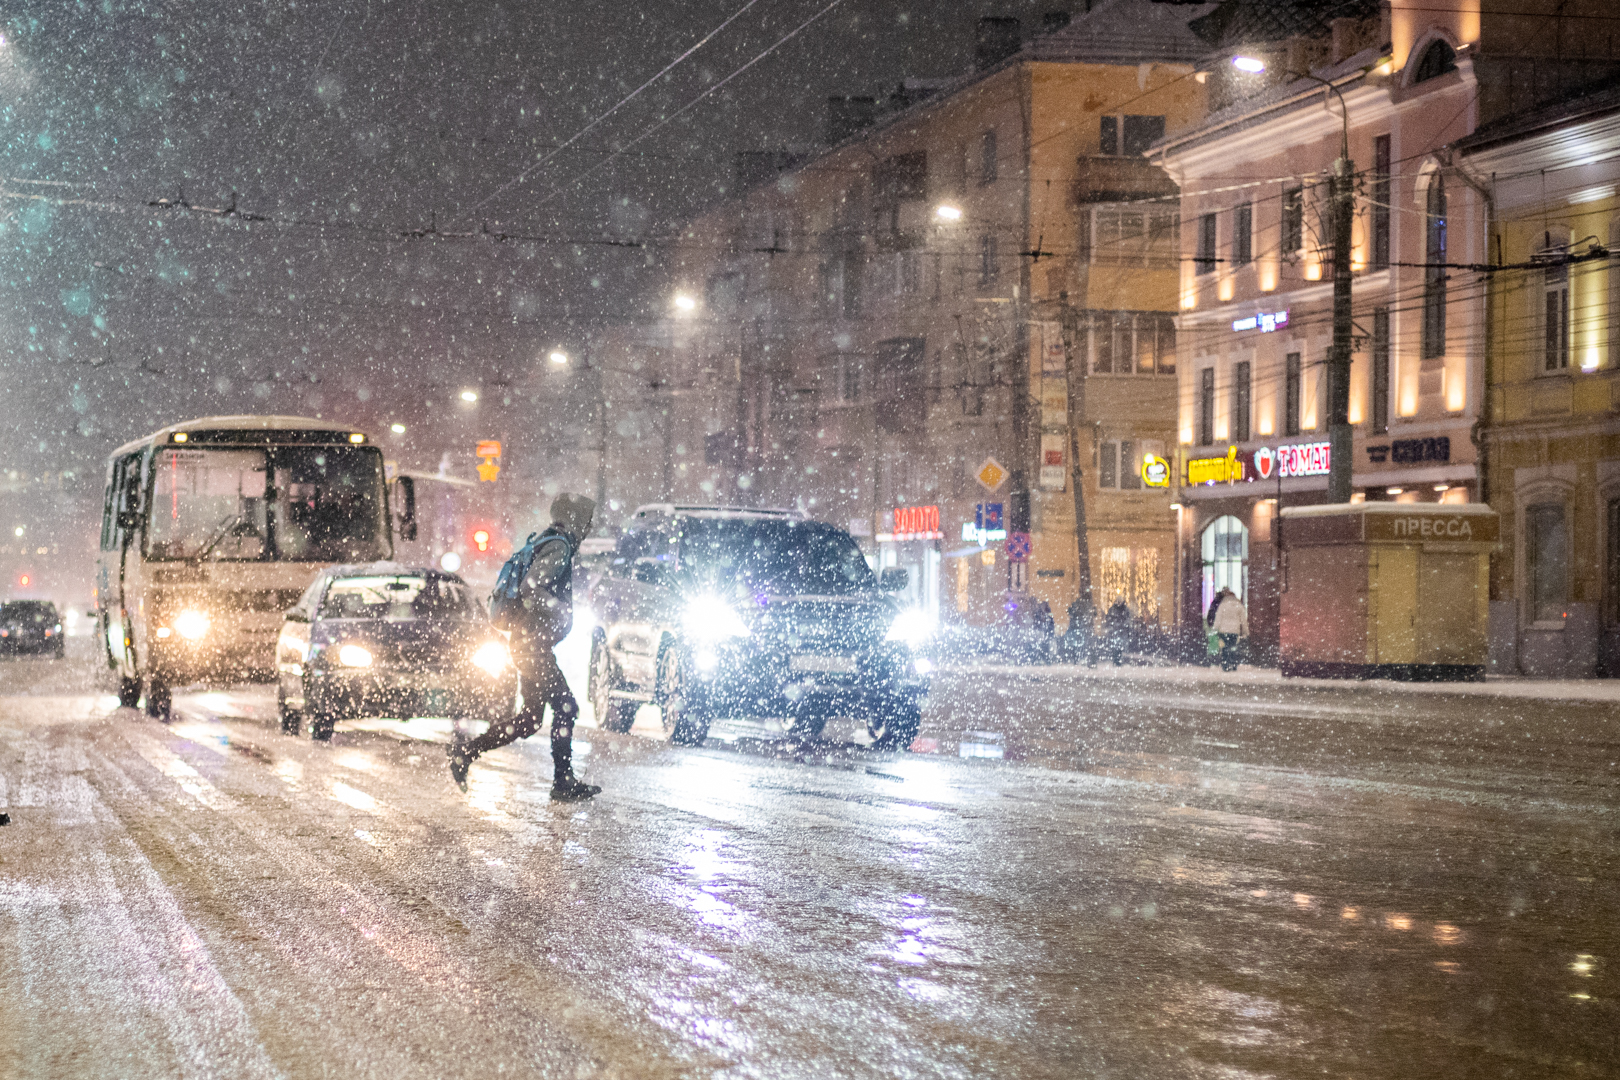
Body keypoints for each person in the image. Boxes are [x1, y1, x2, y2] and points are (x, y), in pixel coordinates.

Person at [449, 493, 601, 801]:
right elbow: (532, 586)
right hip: (532, 646)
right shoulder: (559, 546)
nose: (589, 527)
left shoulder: (546, 540)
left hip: (527, 644)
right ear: (575, 519)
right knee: (567, 707)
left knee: (530, 721)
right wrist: (558, 608)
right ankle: (563, 781)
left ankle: (466, 752)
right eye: (586, 520)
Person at [1209, 586, 1248, 672]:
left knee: (1225, 647)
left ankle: (1225, 664)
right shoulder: (1239, 606)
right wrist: (1246, 631)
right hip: (1235, 630)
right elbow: (1243, 620)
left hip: (1224, 630)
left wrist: (1215, 628)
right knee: (1233, 646)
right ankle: (1233, 664)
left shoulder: (1223, 605)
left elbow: (1218, 618)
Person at [1102, 599, 1132, 665]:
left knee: (1118, 647)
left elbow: (1127, 619)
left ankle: (1117, 660)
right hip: (1117, 631)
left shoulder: (1121, 609)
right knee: (1117, 647)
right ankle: (1116, 660)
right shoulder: (1115, 609)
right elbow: (1109, 618)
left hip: (1119, 631)